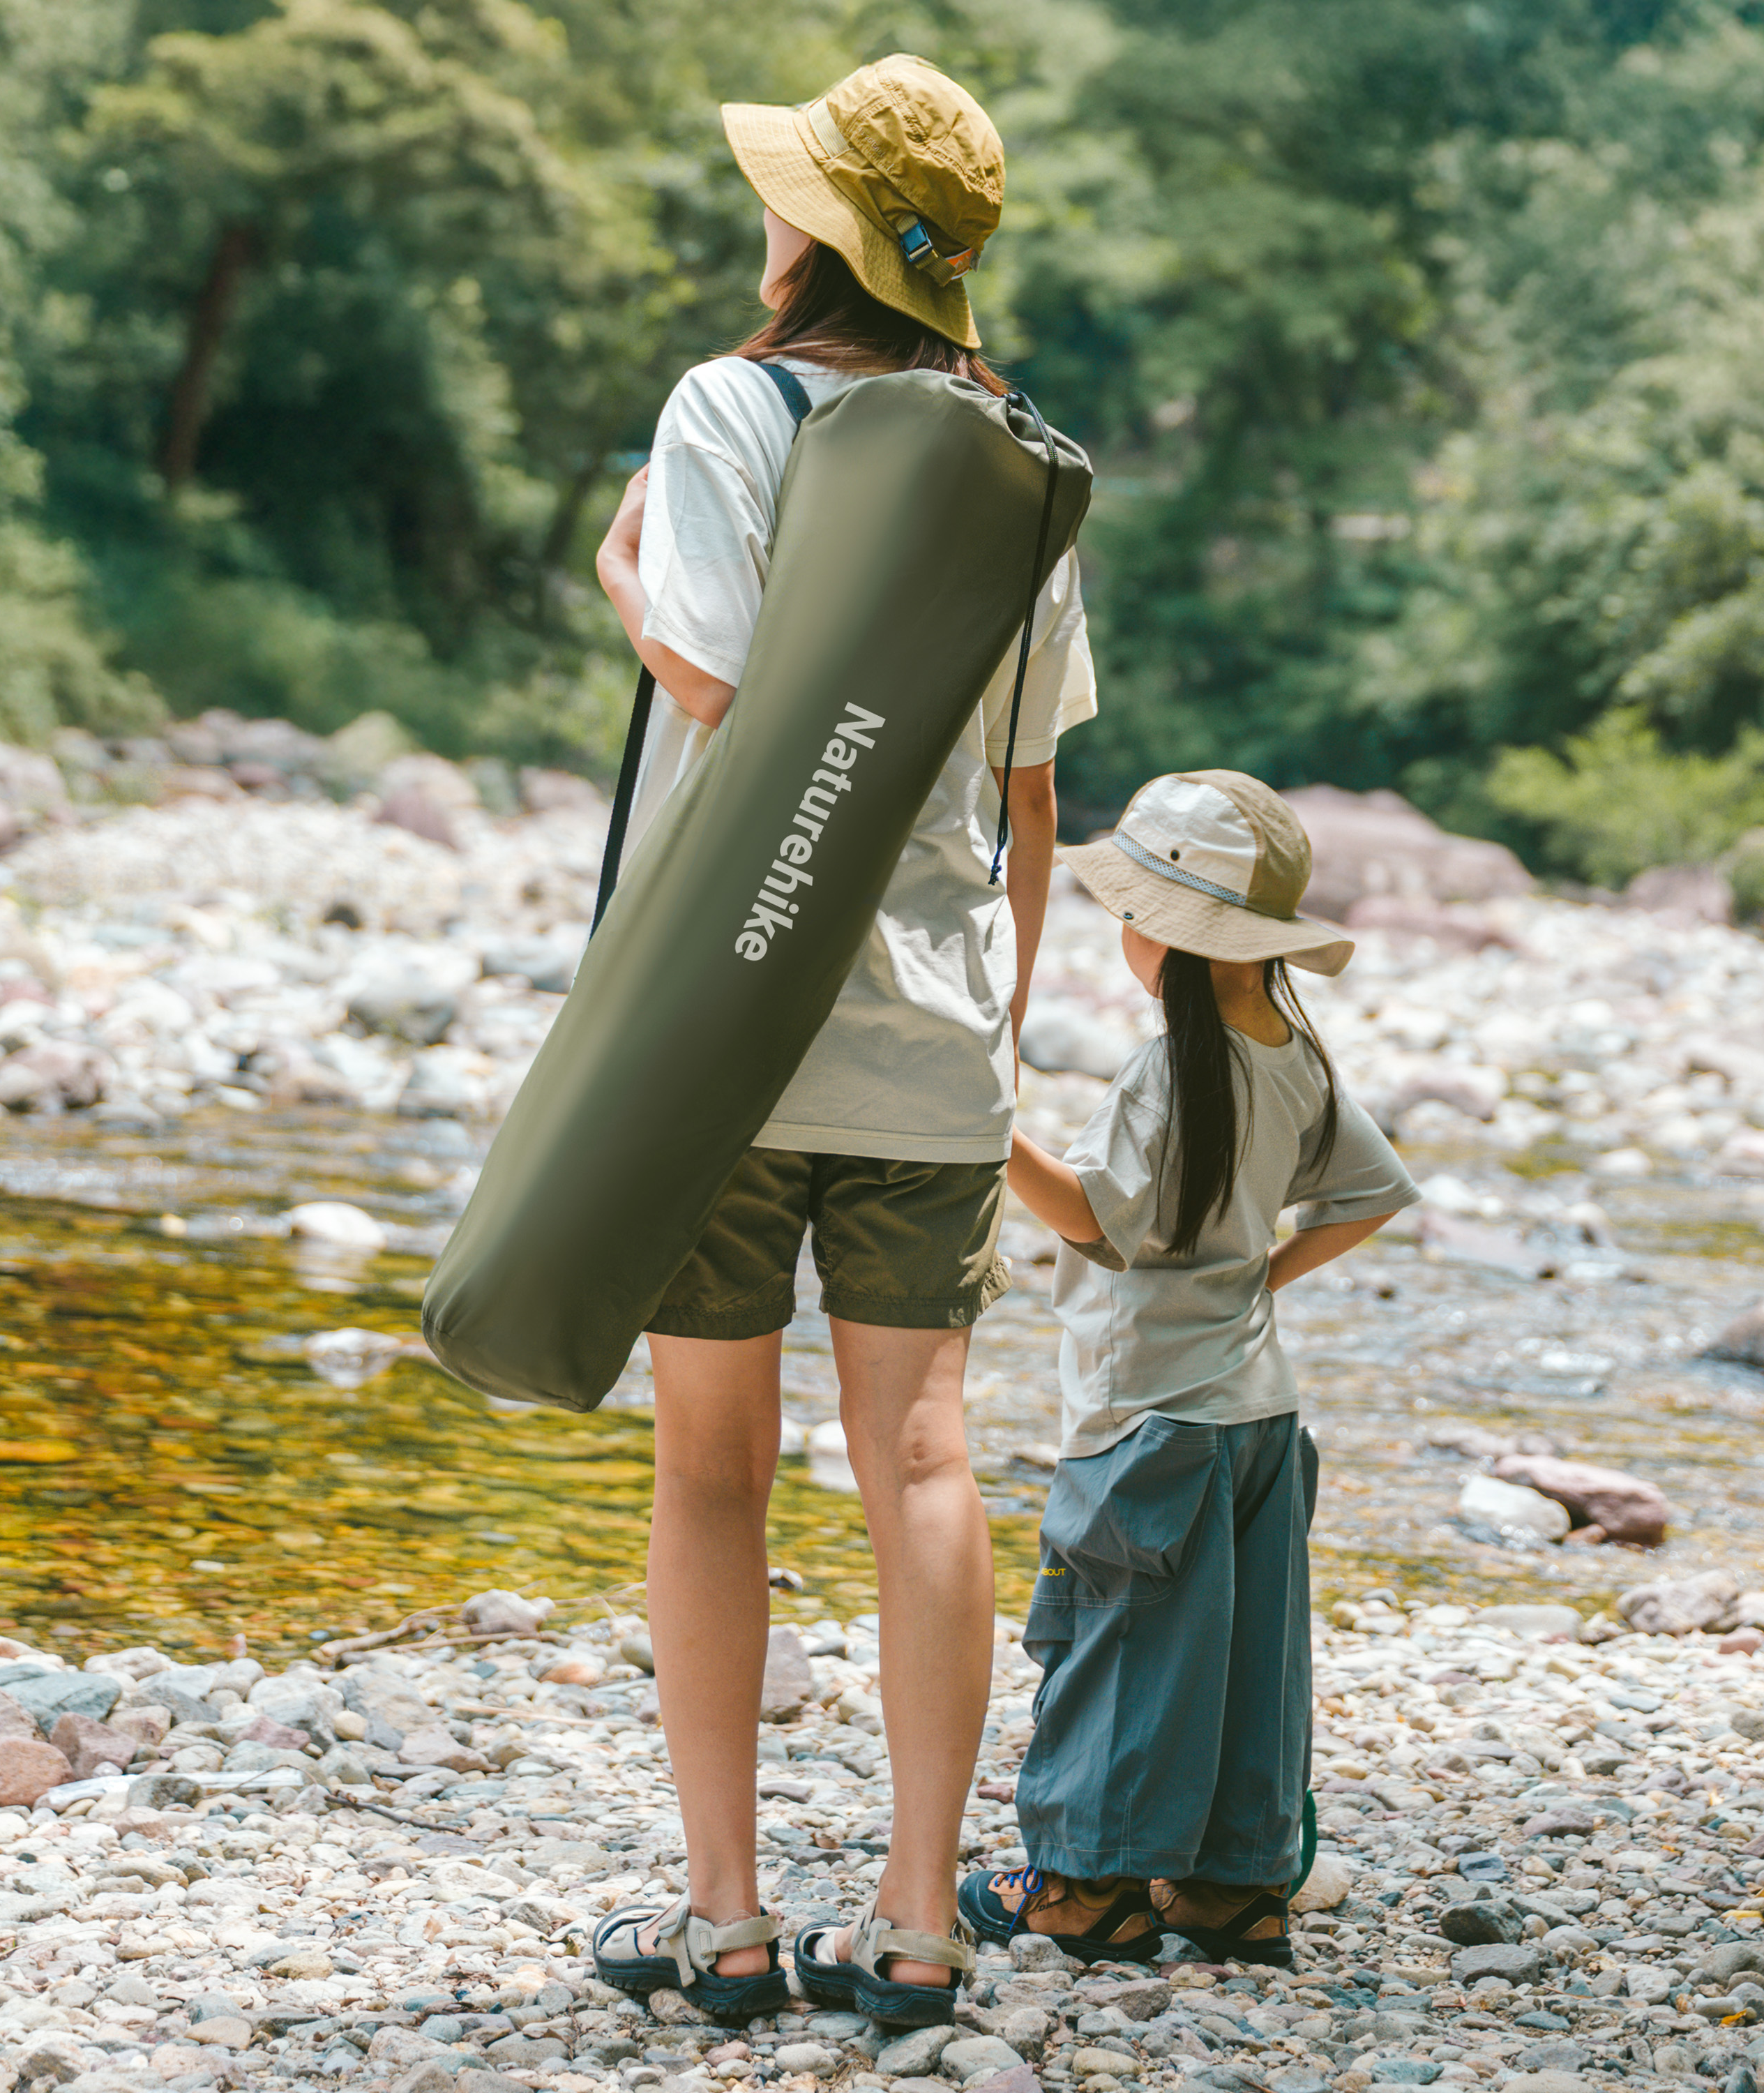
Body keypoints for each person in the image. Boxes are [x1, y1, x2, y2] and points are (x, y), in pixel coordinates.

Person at [586, 55, 1097, 2027]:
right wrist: (992, 1028)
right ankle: (915, 1924)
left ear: (817, 232)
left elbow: (733, 693)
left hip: (724, 1030)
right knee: (928, 1459)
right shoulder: (1022, 463)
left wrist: (624, 579)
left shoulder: (731, 409)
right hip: (931, 1041)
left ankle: (725, 1920)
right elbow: (1029, 796)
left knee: (710, 1470)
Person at [956, 772, 1420, 1967]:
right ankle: (1232, 1890)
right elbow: (1372, 1193)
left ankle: (1084, 1889)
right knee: (1247, 1655)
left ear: (1165, 934)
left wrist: (983, 1125)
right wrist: (1263, 1278)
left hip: (1148, 1419)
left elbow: (1090, 1218)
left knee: (1119, 1644)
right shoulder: (1295, 1053)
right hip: (1260, 1413)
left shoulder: (1167, 1070)